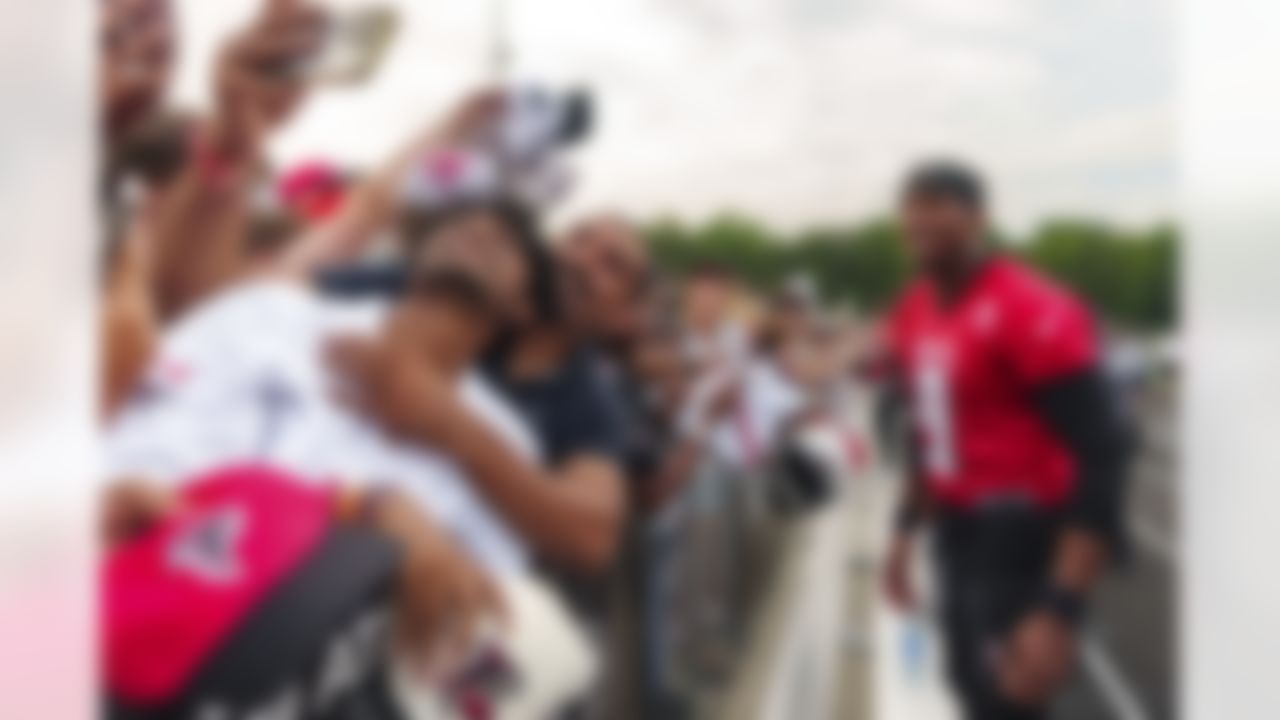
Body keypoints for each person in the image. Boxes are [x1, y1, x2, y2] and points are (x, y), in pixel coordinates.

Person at [104, 198, 596, 716]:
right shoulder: (269, 315)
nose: (481, 231)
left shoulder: (506, 443)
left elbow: (473, 619)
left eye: (508, 242)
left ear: (523, 307)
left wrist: (443, 421)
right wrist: (365, 509)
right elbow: (142, 475)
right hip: (133, 643)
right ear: (413, 252)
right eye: (461, 222)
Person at [879, 160, 1129, 720]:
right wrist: (902, 535)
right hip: (957, 530)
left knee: (1010, 700)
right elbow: (928, 431)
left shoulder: (1032, 306)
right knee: (967, 686)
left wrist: (1061, 605)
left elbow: (1102, 450)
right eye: (912, 206)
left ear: (977, 219)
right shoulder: (914, 305)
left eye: (940, 204)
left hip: (1023, 533)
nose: (921, 219)